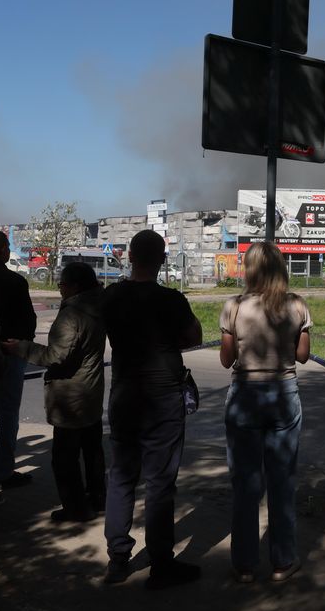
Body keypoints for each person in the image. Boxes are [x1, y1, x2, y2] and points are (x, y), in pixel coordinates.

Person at [101, 229, 202, 589]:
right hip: (163, 397)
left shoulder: (110, 297)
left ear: (129, 256)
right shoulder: (171, 300)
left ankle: (117, 559)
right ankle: (161, 564)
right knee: (160, 481)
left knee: (122, 475)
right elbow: (193, 337)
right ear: (161, 259)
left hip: (125, 394)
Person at [219, 240, 312, 584]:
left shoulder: (234, 305)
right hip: (284, 395)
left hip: (244, 395)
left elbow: (226, 360)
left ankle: (243, 565)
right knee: (282, 481)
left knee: (245, 483)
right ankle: (282, 562)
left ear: (250, 269)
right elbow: (302, 356)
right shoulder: (297, 305)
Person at [5, 261, 106, 523]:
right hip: (91, 389)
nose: (59, 289)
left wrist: (22, 348)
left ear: (73, 286)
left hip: (70, 395)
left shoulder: (73, 314)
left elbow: (56, 356)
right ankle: (98, 498)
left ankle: (76, 509)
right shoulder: (99, 305)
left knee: (64, 459)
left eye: (61, 284)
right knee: (92, 450)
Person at [0, 229, 36, 502]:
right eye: (8, 247)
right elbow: (28, 320)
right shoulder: (13, 280)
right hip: (10, 352)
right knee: (8, 412)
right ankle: (2, 470)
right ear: (2, 251)